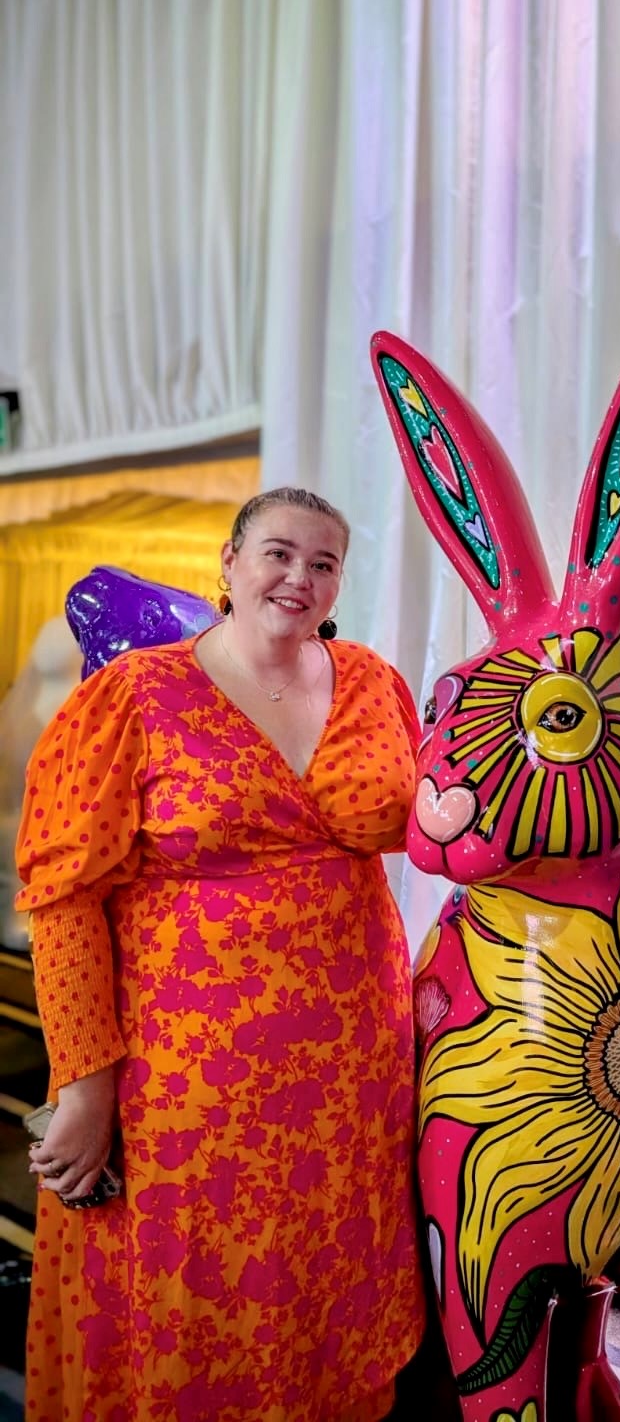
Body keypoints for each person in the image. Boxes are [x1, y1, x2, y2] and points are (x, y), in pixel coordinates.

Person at [16, 486, 426, 1422]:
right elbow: (63, 896)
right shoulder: (133, 695)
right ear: (230, 564)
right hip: (189, 1083)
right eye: (279, 553)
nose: (300, 577)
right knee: (195, 1296)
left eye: (324, 563)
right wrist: (85, 1085)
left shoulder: (373, 681)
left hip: (352, 1079)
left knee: (328, 1284)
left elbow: (433, 820)